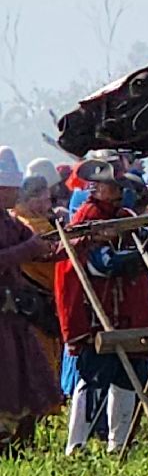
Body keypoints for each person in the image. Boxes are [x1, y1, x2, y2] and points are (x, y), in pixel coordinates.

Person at [54, 158, 148, 454]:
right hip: (97, 316)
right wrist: (134, 254)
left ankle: (118, 444)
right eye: (112, 185)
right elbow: (102, 265)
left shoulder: (124, 215)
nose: (118, 190)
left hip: (127, 314)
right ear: (96, 188)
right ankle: (77, 446)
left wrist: (147, 243)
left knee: (126, 380)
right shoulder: (87, 219)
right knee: (93, 380)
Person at [0, 156, 62, 453]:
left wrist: (80, 243)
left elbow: (43, 251)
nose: (16, 193)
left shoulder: (10, 223)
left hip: (14, 315)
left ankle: (21, 446)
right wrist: (29, 248)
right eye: (10, 188)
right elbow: (21, 252)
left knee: (28, 378)